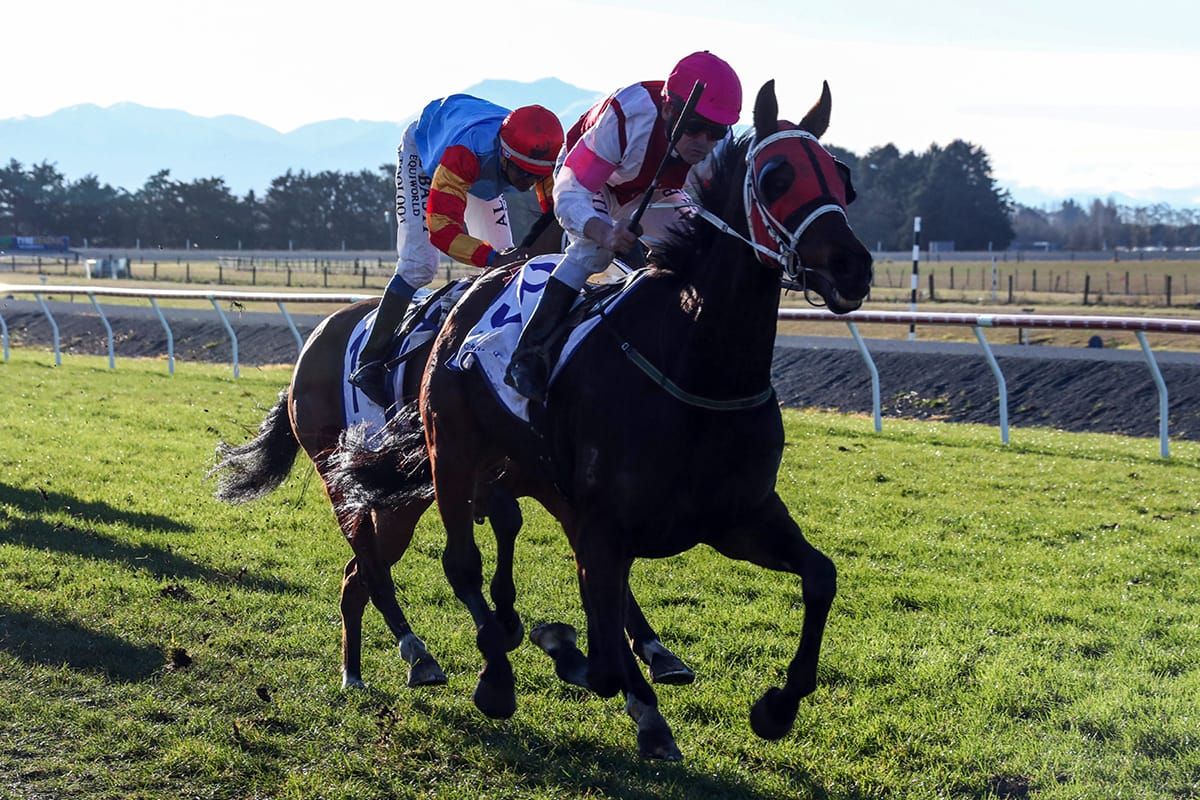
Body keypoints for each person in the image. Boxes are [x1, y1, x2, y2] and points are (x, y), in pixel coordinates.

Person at [504, 51, 742, 403]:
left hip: (651, 189)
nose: (704, 143)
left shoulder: (712, 148)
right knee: (593, 252)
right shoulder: (628, 116)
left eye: (715, 133)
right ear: (668, 109)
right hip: (590, 181)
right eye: (693, 128)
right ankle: (528, 354)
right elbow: (571, 191)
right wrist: (605, 230)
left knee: (701, 248)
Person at [349, 95, 565, 407]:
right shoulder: (464, 154)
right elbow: (442, 228)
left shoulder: (540, 161)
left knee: (509, 265)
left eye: (536, 175)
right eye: (522, 172)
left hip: (483, 167)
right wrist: (490, 257)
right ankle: (369, 361)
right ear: (505, 155)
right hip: (427, 157)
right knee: (418, 265)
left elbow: (557, 216)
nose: (528, 182)